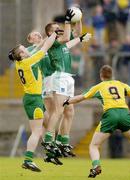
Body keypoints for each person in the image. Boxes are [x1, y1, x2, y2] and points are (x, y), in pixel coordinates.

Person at [63, 65, 130, 178]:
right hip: (124, 113)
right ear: (112, 75)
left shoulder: (99, 87)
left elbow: (81, 97)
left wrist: (67, 101)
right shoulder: (120, 84)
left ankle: (96, 166)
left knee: (94, 145)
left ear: (101, 76)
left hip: (110, 115)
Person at [8, 32, 57, 172]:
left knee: (46, 125)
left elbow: (37, 47)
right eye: (24, 50)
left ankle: (51, 151)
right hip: (33, 99)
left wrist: (48, 37)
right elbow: (43, 48)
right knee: (37, 132)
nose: (27, 50)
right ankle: (28, 160)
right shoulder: (28, 62)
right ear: (22, 55)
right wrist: (54, 35)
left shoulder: (20, 62)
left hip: (34, 98)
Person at [43, 11, 83, 158]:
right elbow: (67, 36)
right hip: (59, 77)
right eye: (55, 28)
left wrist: (78, 19)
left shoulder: (62, 41)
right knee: (58, 111)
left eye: (59, 27)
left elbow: (77, 33)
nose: (58, 29)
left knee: (69, 112)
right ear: (49, 33)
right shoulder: (53, 41)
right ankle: (48, 139)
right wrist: (67, 20)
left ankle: (62, 141)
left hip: (67, 78)